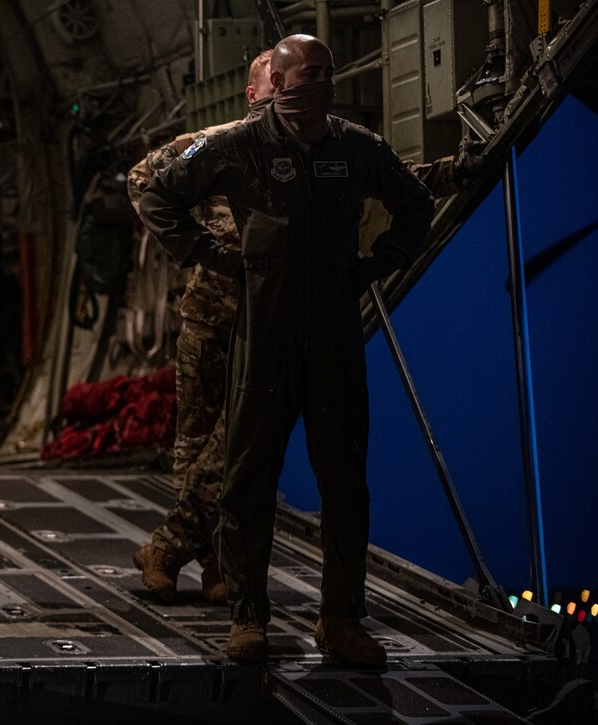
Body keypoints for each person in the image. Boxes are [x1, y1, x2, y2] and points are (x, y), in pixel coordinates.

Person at [138, 34, 434, 667]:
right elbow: (156, 192)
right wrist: (210, 258)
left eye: (328, 71)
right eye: (309, 72)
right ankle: (248, 616)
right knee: (246, 479)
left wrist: (378, 264)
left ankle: (340, 620)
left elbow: (416, 204)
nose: (321, 83)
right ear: (276, 79)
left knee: (345, 484)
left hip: (331, 333)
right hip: (262, 331)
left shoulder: (356, 149)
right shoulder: (236, 145)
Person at [126, 49, 273, 605]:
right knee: (195, 441)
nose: (278, 97)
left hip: (268, 322)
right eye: (269, 87)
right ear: (251, 95)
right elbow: (143, 179)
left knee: (238, 444)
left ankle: (168, 548)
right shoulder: (216, 144)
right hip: (210, 312)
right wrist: (195, 248)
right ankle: (215, 565)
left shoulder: (301, 152)